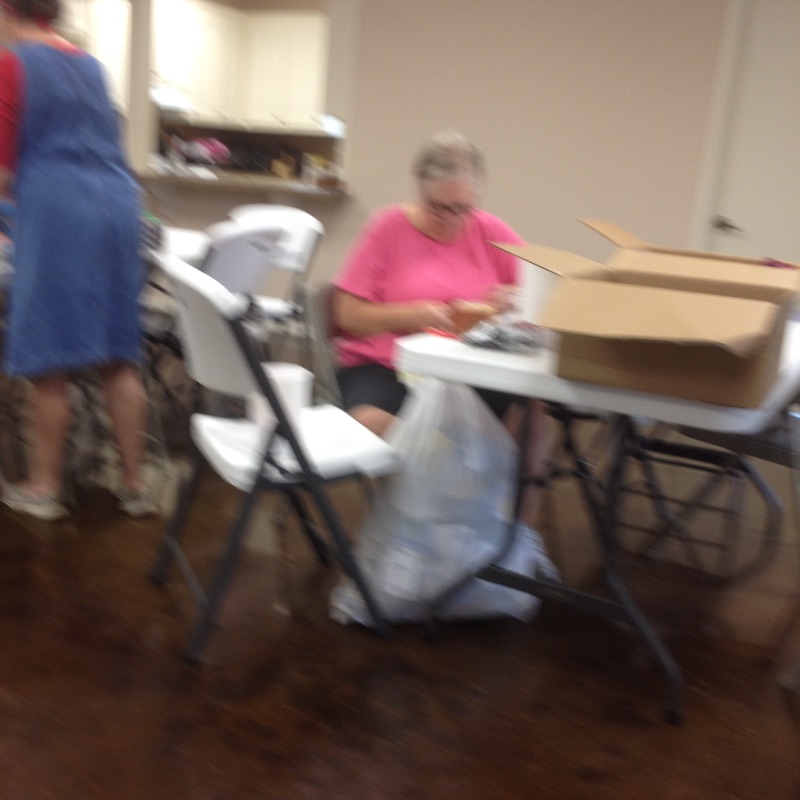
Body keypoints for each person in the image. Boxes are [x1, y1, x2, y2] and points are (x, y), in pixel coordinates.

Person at [332, 130, 551, 523]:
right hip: (388, 366)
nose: (452, 219)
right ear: (420, 189)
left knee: (532, 408)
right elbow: (347, 316)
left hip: (466, 370)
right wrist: (411, 315)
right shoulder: (387, 227)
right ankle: (424, 518)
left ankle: (513, 530)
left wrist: (516, 299)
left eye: (462, 208)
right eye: (438, 207)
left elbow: (541, 293)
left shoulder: (489, 231)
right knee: (370, 424)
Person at [0, 0, 155, 520]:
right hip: (119, 206)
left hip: (58, 209)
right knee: (117, 357)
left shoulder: (12, 63)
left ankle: (43, 487)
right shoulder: (90, 65)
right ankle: (136, 485)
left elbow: (2, 170)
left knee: (49, 359)